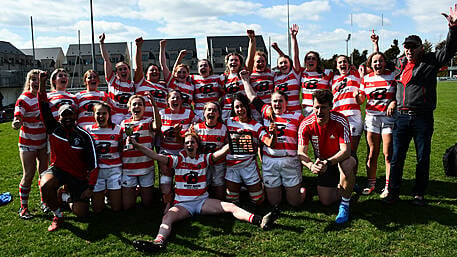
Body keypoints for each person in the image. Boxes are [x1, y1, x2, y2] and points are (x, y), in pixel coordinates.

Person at [130, 132, 278, 253]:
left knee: (230, 207)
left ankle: (259, 220)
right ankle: (158, 242)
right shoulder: (177, 160)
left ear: (197, 145)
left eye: (192, 142)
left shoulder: (204, 158)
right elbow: (155, 156)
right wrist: (137, 145)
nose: (189, 144)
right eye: (187, 142)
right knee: (167, 218)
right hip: (183, 204)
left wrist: (233, 141)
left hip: (202, 201)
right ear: (184, 145)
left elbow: (221, 152)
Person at [384, 4, 457, 206]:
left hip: (422, 118)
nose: (409, 50)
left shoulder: (431, 61)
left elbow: (450, 48)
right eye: (406, 47)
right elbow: (379, 67)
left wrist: (453, 28)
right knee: (397, 157)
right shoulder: (399, 63)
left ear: (421, 48)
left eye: (413, 47)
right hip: (401, 117)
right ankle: (393, 193)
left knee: (422, 158)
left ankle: (419, 194)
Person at [37, 71, 98, 232]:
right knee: (45, 185)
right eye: (65, 115)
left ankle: (64, 197)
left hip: (77, 176)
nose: (68, 118)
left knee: (82, 213)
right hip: (59, 170)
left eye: (71, 114)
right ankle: (58, 215)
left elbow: (94, 164)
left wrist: (90, 187)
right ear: (59, 117)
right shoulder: (54, 128)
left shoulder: (84, 136)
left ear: (75, 115)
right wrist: (42, 83)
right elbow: (43, 104)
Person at [240, 70, 306, 208]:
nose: (277, 104)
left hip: (289, 160)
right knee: (274, 203)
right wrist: (245, 80)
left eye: (280, 101)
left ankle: (301, 189)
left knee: (294, 203)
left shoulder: (297, 116)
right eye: (274, 101)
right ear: (270, 103)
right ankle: (275, 186)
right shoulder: (266, 112)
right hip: (270, 161)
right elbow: (252, 97)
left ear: (286, 103)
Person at [298, 89, 356, 224]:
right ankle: (350, 185)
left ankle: (345, 204)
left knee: (346, 164)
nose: (319, 111)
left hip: (340, 159)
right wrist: (311, 165)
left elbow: (346, 151)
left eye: (323, 107)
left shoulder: (340, 120)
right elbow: (301, 153)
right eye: (316, 107)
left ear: (331, 107)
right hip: (324, 164)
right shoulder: (306, 124)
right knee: (326, 201)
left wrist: (328, 163)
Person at [359, 34, 397, 197]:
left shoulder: (392, 75)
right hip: (372, 118)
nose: (378, 63)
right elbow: (361, 98)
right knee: (372, 152)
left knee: (388, 153)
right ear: (371, 64)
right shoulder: (366, 79)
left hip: (388, 119)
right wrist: (357, 96)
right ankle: (371, 183)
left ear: (384, 63)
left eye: (381, 61)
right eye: (375, 61)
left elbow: (399, 93)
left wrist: (394, 102)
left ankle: (388, 186)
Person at [225, 93, 276, 206]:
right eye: (237, 107)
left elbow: (269, 143)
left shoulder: (256, 126)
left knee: (258, 200)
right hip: (232, 165)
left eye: (242, 106)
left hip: (249, 165)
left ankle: (252, 185)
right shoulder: (228, 122)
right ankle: (242, 186)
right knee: (231, 201)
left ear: (247, 106)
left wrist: (273, 134)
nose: (240, 109)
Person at [12, 69, 49, 219]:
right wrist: (16, 122)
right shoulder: (24, 98)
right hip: (28, 142)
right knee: (29, 174)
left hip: (43, 141)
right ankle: (23, 208)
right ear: (29, 82)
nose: (36, 82)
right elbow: (18, 115)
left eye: (39, 79)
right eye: (33, 79)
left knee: (44, 173)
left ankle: (44, 202)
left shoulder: (44, 97)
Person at [120, 94, 161, 210]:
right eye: (134, 104)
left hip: (145, 167)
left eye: (140, 104)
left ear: (144, 108)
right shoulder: (123, 123)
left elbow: (157, 126)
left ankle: (143, 190)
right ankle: (135, 189)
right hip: (128, 168)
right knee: (128, 207)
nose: (137, 106)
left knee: (147, 205)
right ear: (129, 108)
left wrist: (154, 105)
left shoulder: (148, 122)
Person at [84, 102, 123, 213]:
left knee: (116, 208)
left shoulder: (118, 129)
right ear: (94, 115)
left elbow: (121, 148)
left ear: (109, 115)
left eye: (104, 113)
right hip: (97, 172)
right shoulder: (88, 130)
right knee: (97, 210)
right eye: (98, 113)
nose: (101, 116)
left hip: (114, 170)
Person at [330, 55, 364, 160]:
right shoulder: (332, 79)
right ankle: (340, 176)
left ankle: (352, 176)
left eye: (345, 61)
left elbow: (372, 62)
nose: (342, 64)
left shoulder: (357, 74)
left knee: (351, 152)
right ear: (336, 66)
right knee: (338, 151)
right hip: (337, 117)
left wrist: (375, 44)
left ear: (349, 64)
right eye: (340, 62)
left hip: (353, 117)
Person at [192, 101, 228, 200]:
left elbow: (227, 144)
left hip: (218, 161)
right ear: (204, 112)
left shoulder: (223, 128)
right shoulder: (196, 128)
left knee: (218, 183)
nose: (211, 112)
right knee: (203, 182)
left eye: (215, 110)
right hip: (202, 162)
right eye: (209, 109)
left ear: (219, 114)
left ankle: (219, 202)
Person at [99, 33, 135, 124]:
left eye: (125, 69)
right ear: (116, 72)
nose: (123, 71)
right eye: (120, 69)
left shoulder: (133, 85)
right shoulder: (112, 81)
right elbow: (106, 60)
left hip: (129, 116)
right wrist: (102, 43)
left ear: (129, 70)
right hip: (115, 116)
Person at [271, 24, 302, 114]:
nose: (283, 65)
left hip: (296, 113)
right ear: (277, 66)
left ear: (290, 64)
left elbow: (295, 55)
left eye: (286, 63)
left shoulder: (295, 73)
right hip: (281, 113)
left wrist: (293, 37)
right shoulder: (276, 76)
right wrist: (277, 50)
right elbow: (283, 58)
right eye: (280, 63)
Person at [245, 29, 275, 123]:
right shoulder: (250, 75)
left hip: (269, 110)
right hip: (255, 112)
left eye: (263, 61)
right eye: (258, 61)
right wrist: (252, 40)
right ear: (253, 63)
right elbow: (250, 58)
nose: (261, 63)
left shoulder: (271, 74)